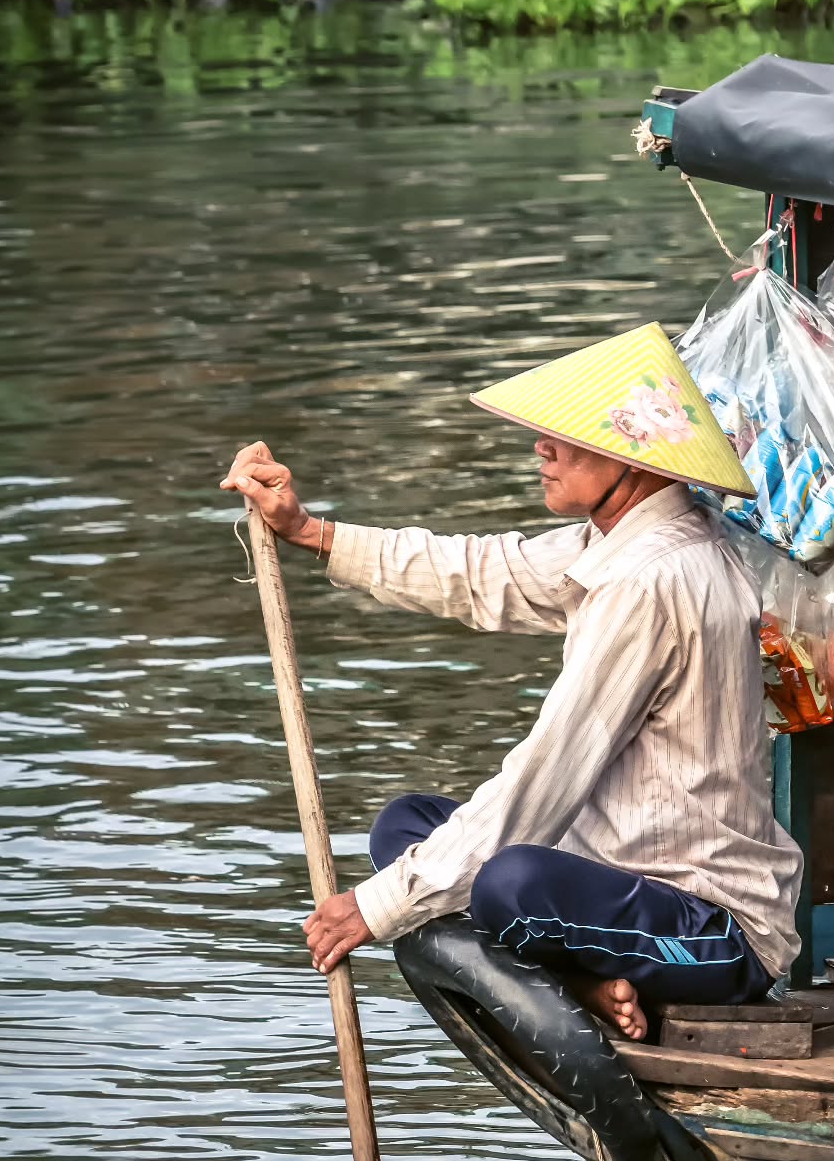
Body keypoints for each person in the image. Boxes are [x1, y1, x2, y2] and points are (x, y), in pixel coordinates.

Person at [222, 321, 803, 1041]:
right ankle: (582, 983)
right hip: (607, 877)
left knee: (508, 885)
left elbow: (545, 777)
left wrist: (377, 908)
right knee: (404, 826)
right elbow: (481, 572)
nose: (544, 448)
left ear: (635, 459)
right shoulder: (621, 543)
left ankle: (573, 976)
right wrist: (312, 531)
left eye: (573, 437)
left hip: (708, 923)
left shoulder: (654, 580)